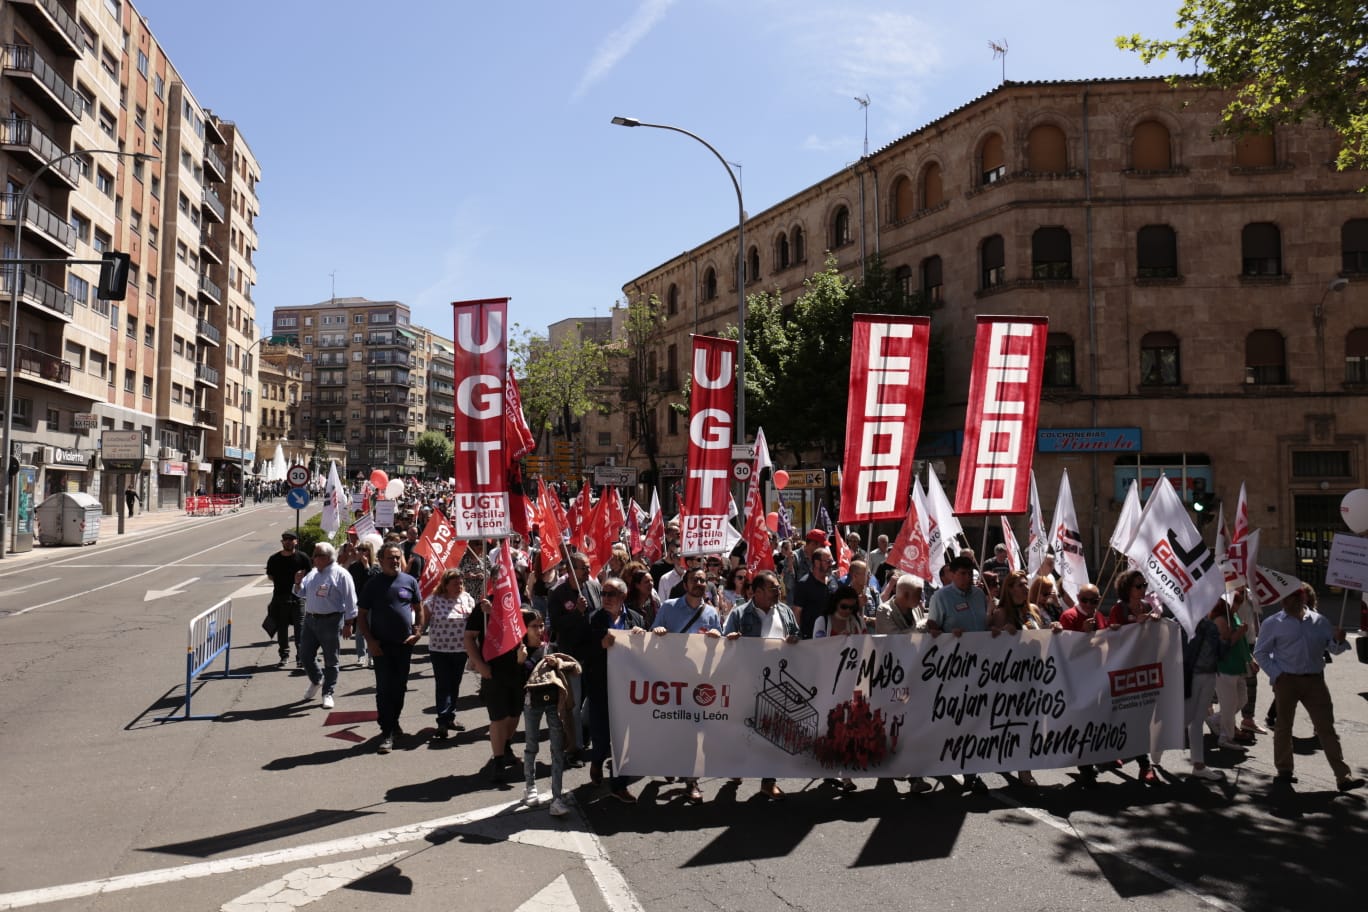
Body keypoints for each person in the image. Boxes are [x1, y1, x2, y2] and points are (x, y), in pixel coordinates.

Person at [1253, 584, 1363, 792]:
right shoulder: (1273, 623)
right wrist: (1277, 675)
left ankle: (1343, 776)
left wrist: (1338, 641)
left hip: (1314, 681)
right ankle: (1284, 769)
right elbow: (1260, 652)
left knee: (1326, 728)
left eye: (1289, 598)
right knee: (1284, 726)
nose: (1284, 603)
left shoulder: (1319, 622)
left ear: (1301, 598)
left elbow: (1333, 648)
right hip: (1287, 681)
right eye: (1282, 599)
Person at [652, 566, 723, 802]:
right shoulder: (668, 608)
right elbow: (651, 639)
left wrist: (717, 638)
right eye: (695, 580)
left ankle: (691, 781)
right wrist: (659, 632)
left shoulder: (712, 613)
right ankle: (670, 762)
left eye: (703, 580)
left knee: (693, 732)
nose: (699, 584)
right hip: (671, 681)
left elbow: (720, 645)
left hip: (697, 682)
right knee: (671, 728)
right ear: (685, 584)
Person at [357, 542, 425, 754]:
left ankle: (393, 722)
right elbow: (361, 616)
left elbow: (419, 608)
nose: (395, 561)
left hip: (404, 645)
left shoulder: (409, 581)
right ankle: (386, 732)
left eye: (397, 557)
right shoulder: (373, 584)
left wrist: (418, 632)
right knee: (385, 688)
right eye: (390, 558)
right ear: (381, 560)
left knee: (400, 687)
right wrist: (370, 641)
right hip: (381, 646)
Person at [584, 577, 646, 802]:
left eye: (611, 594)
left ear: (623, 597)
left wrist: (643, 636)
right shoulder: (592, 619)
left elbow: (646, 654)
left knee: (624, 738)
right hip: (601, 687)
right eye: (603, 594)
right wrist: (600, 645)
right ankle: (597, 760)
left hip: (628, 689)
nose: (606, 598)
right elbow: (583, 653)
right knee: (601, 738)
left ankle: (619, 785)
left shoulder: (636, 618)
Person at [1103, 570, 1161, 783]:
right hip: (1125, 671)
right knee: (1126, 716)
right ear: (1127, 588)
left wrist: (1155, 622)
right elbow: (1113, 637)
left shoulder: (1146, 607)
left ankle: (1138, 760)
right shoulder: (1119, 609)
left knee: (1141, 718)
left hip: (1144, 671)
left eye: (1144, 584)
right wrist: (1131, 625)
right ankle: (1137, 760)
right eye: (1138, 586)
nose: (1143, 589)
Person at [522, 610, 580, 817]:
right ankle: (530, 787)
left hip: (554, 705)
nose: (539, 630)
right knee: (532, 746)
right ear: (524, 629)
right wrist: (519, 661)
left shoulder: (551, 649)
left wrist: (559, 663)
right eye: (534, 626)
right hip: (531, 704)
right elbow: (514, 680)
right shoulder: (520, 650)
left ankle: (557, 797)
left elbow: (575, 666)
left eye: (540, 626)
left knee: (557, 749)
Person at [291, 542, 358, 711]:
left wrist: (349, 623)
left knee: (331, 659)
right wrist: (298, 582)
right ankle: (317, 679)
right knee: (304, 655)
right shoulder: (313, 574)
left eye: (317, 555)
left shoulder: (341, 574)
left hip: (331, 621)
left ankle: (327, 692)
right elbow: (300, 592)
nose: (313, 558)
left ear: (327, 558)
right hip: (310, 620)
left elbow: (351, 601)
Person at [548, 551, 602, 758]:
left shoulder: (594, 587)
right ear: (570, 570)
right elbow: (556, 625)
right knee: (574, 703)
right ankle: (575, 747)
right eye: (583, 567)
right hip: (571, 656)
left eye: (588, 567)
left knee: (592, 702)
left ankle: (585, 732)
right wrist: (576, 613)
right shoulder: (557, 594)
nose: (588, 571)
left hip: (594, 655)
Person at [423, 569, 474, 739]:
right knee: (443, 684)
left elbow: (474, 623)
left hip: (460, 650)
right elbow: (423, 623)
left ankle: (450, 717)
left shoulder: (467, 599)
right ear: (445, 585)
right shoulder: (433, 601)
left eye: (460, 583)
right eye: (455, 583)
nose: (459, 586)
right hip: (439, 650)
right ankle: (442, 721)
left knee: (454, 684)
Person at [1182, 605, 1226, 781]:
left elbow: (1220, 654)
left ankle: (1198, 765)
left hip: (1209, 676)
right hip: (1192, 677)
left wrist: (1228, 640)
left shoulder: (1212, 626)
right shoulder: (1184, 625)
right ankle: (1158, 743)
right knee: (1185, 719)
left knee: (1197, 720)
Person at [1210, 597, 1256, 750]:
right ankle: (1226, 737)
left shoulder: (1234, 616)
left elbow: (1242, 643)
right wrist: (1240, 632)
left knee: (1241, 699)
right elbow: (1224, 646)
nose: (1240, 602)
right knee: (1229, 705)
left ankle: (1215, 719)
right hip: (1225, 668)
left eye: (1240, 599)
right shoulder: (1220, 620)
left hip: (1238, 666)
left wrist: (1250, 658)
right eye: (1236, 599)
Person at [264, 531, 310, 667]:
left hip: (298, 598)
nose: (288, 542)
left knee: (300, 629)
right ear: (282, 542)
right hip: (280, 598)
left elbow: (310, 574)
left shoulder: (302, 557)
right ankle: (284, 656)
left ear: (296, 542)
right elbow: (270, 576)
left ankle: (300, 657)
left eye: (291, 539)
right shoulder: (274, 558)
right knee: (282, 629)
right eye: (285, 539)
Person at [926, 556, 990, 637]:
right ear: (952, 575)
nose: (968, 577)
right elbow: (933, 630)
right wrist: (949, 634)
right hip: (954, 648)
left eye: (970, 573)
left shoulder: (979, 594)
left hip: (982, 647)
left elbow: (985, 623)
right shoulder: (940, 597)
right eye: (963, 573)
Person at [346, 540, 378, 667]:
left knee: (371, 631)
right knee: (359, 631)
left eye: (364, 550)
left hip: (372, 604)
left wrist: (366, 567)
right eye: (359, 549)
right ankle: (361, 656)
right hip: (359, 604)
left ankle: (371, 656)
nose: (361, 552)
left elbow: (373, 583)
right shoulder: (354, 567)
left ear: (370, 552)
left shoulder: (376, 567)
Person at [792, 546, 835, 639]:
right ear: (817, 562)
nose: (831, 565)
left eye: (831, 561)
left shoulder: (833, 582)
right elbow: (797, 612)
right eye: (828, 562)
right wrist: (797, 636)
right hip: (810, 639)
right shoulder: (804, 584)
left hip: (831, 638)